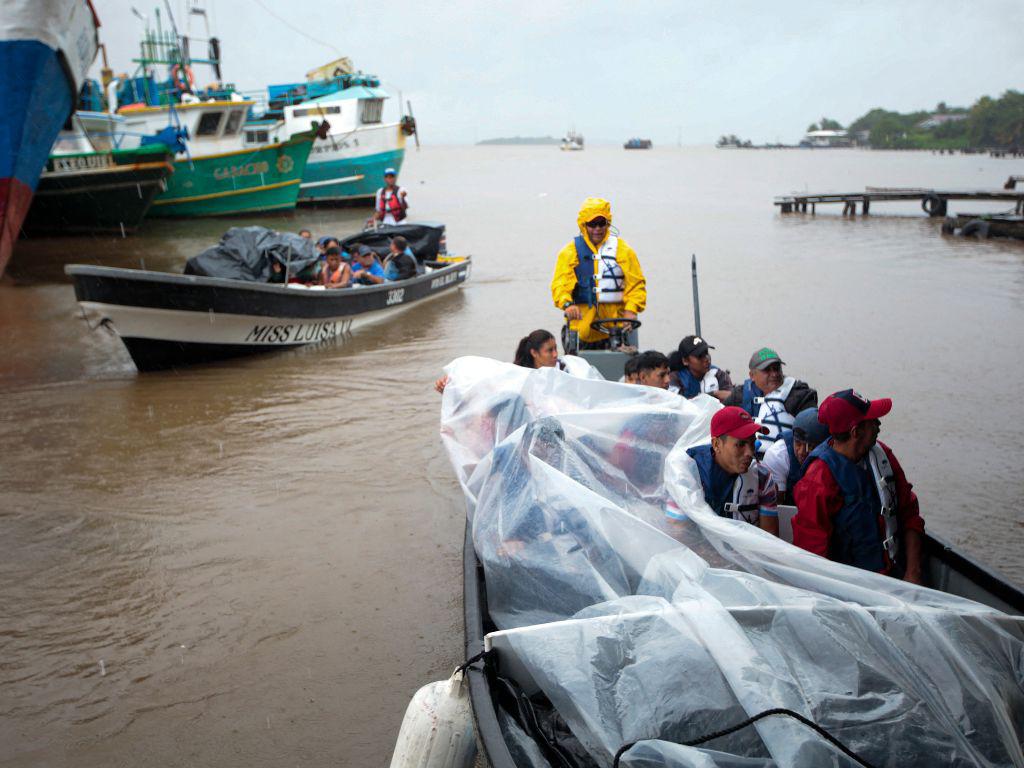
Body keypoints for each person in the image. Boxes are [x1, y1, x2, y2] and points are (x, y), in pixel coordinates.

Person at [791, 390, 924, 583]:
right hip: (853, 588)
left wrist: (913, 572)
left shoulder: (883, 455)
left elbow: (909, 513)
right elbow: (813, 554)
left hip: (897, 576)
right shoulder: (817, 479)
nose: (879, 424)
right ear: (856, 432)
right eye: (872, 421)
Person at [667, 406, 779, 536]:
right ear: (716, 444)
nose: (750, 452)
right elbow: (677, 534)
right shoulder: (687, 475)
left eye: (752, 443)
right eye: (740, 444)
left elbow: (770, 537)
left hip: (745, 554)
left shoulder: (763, 477)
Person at [551, 198, 646, 350]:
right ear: (584, 224)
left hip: (616, 329)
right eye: (592, 224)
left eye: (601, 223)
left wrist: (631, 309)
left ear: (608, 223)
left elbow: (636, 284)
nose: (597, 228)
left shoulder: (624, 250)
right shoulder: (570, 252)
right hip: (582, 329)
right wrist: (567, 304)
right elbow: (560, 284)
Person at [722, 347, 817, 454]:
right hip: (747, 461)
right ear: (752, 375)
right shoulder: (739, 395)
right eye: (767, 370)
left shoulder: (799, 395)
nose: (774, 374)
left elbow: (813, 431)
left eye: (777, 368)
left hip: (785, 463)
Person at [435, 330, 572, 394]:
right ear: (534, 353)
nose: (555, 354)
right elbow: (484, 387)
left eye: (556, 349)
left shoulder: (566, 371)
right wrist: (452, 387)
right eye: (549, 350)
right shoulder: (518, 375)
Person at [760, 407, 829, 504]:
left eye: (811, 447)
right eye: (798, 443)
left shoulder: (832, 454)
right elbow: (777, 509)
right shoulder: (777, 454)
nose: (801, 452)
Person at [667, 335, 732, 401]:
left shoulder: (719, 374)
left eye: (706, 353)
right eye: (700, 356)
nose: (707, 359)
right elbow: (676, 404)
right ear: (685, 361)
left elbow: (730, 399)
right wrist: (714, 394)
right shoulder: (676, 377)